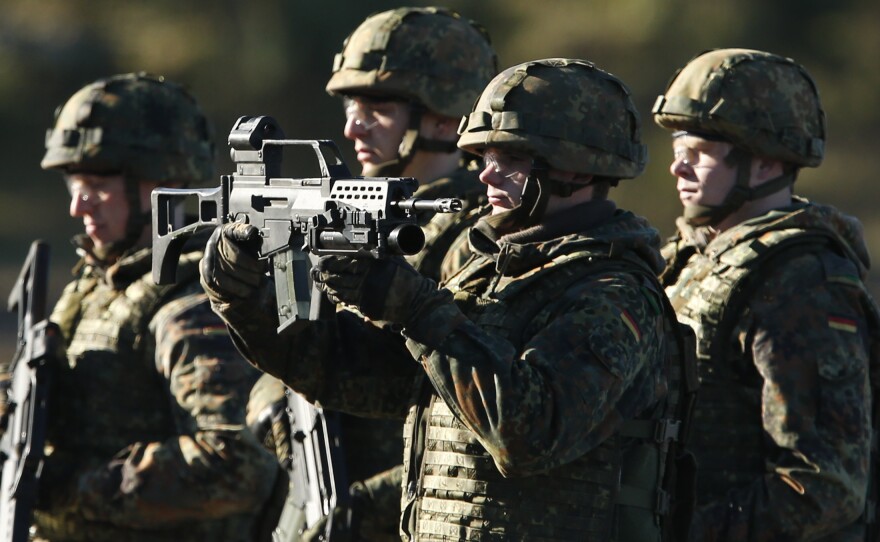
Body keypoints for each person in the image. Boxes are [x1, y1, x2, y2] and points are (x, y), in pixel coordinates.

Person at [203, 58, 689, 541]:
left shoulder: (615, 293)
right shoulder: (493, 270)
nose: (487, 176)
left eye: (511, 159)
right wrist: (246, 296)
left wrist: (417, 310)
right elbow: (357, 376)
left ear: (577, 169)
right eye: (485, 158)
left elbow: (528, 434)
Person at [246, 6, 497, 540]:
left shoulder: (479, 235)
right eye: (350, 105)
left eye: (377, 109)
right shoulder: (335, 214)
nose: (351, 126)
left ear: (445, 119)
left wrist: (363, 508)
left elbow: (474, 410)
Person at [33, 72, 279, 541]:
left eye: (99, 186)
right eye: (74, 184)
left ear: (165, 182)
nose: (79, 206)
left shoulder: (192, 306)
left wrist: (73, 487)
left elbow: (235, 466)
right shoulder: (95, 287)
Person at [652, 48, 880, 540]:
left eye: (699, 154)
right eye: (677, 150)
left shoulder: (801, 282)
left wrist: (678, 531)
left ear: (763, 165)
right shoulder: (689, 258)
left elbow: (823, 486)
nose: (678, 168)